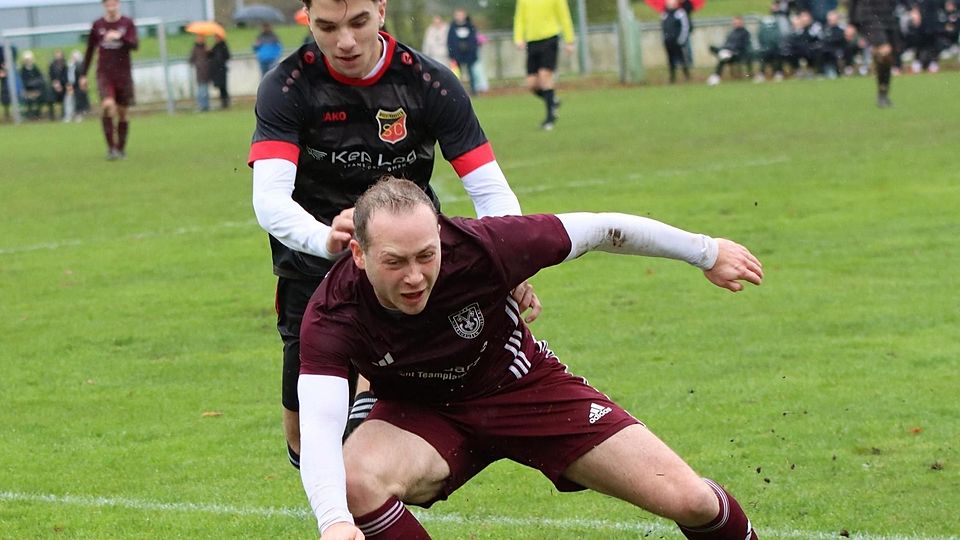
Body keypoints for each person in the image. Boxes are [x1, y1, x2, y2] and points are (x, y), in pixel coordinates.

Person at [297, 177, 763, 540]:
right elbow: (319, 427)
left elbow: (601, 228)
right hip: (422, 415)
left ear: (440, 236)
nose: (415, 276)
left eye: (426, 255)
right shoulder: (332, 312)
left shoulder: (483, 245)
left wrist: (707, 252)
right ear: (358, 254)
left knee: (693, 501)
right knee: (354, 480)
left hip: (524, 388)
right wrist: (334, 521)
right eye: (395, 262)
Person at [248, 0, 537, 472]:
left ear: (381, 10)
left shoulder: (428, 82)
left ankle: (375, 467)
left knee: (370, 435)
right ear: (307, 19)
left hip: (407, 265)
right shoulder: (287, 87)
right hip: (313, 266)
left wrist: (511, 262)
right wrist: (326, 237)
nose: (345, 41)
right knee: (304, 444)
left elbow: (487, 186)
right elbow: (270, 200)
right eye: (327, 26)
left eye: (358, 22)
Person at [81, 0, 138, 159]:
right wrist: (83, 74)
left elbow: (135, 45)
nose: (111, 7)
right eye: (108, 4)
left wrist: (120, 36)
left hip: (123, 74)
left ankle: (121, 148)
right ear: (104, 6)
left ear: (118, 4)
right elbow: (90, 50)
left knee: (123, 113)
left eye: (114, 4)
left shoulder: (127, 23)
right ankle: (111, 148)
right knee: (107, 105)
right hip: (105, 73)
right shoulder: (97, 25)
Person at [513, 0, 575, 131]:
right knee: (531, 84)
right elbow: (519, 18)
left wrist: (569, 40)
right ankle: (552, 100)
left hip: (550, 38)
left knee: (544, 76)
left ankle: (549, 119)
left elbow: (564, 17)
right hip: (532, 42)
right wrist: (518, 37)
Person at [849, 0, 899, 107]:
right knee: (884, 51)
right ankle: (882, 95)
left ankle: (883, 92)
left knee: (887, 57)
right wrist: (851, 22)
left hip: (888, 17)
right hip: (868, 15)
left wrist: (912, 8)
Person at [706, 16, 753, 85]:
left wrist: (733, 51)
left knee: (722, 58)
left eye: (737, 22)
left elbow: (744, 46)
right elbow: (727, 43)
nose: (735, 24)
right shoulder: (731, 32)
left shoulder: (745, 33)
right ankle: (721, 54)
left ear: (742, 23)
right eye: (734, 22)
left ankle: (716, 76)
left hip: (737, 54)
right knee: (713, 48)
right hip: (728, 51)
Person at [447, 8, 479, 95]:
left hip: (469, 54)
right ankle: (458, 92)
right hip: (457, 54)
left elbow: (474, 40)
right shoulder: (452, 27)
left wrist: (472, 50)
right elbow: (450, 41)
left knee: (471, 73)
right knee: (457, 74)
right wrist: (452, 54)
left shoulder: (470, 26)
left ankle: (473, 90)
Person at [19, 51, 48, 121]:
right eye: (27, 60)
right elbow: (24, 82)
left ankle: (38, 113)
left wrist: (35, 86)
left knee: (42, 97)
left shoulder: (35, 68)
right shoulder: (23, 70)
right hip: (27, 91)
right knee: (28, 99)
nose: (28, 61)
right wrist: (32, 85)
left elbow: (40, 79)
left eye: (29, 59)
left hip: (37, 90)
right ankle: (30, 114)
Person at [67, 50, 91, 121]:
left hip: (77, 86)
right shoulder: (70, 65)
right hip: (71, 85)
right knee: (69, 100)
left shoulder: (79, 66)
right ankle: (69, 115)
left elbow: (81, 76)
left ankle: (78, 114)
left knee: (78, 100)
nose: (72, 58)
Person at [208, 34, 231, 109]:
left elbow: (227, 56)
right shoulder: (214, 47)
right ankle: (223, 102)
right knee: (220, 87)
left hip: (222, 69)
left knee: (223, 86)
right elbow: (210, 56)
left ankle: (225, 102)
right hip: (216, 70)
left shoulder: (223, 46)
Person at [189, 36, 211, 112]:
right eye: (199, 38)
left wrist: (209, 52)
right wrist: (198, 64)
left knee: (205, 89)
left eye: (202, 38)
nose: (201, 39)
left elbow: (211, 58)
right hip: (199, 72)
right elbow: (191, 60)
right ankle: (202, 105)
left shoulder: (206, 48)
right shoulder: (195, 49)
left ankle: (206, 106)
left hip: (206, 71)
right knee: (201, 90)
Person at [48, 49, 69, 120]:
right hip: (54, 87)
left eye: (59, 55)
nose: (58, 57)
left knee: (65, 96)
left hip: (63, 87)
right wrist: (55, 83)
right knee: (50, 96)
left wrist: (61, 84)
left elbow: (66, 77)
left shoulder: (65, 65)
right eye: (56, 55)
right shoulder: (52, 65)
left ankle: (64, 115)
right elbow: (51, 76)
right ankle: (52, 116)